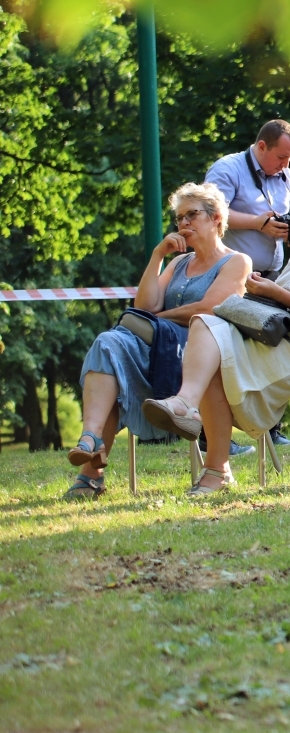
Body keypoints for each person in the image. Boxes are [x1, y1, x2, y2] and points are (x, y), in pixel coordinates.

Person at [142, 178, 290, 495]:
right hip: (276, 332)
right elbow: (274, 306)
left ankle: (212, 461)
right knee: (204, 321)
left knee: (214, 345)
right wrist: (260, 292)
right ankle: (189, 410)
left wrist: (274, 291)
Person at [64, 184, 251, 499]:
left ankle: (91, 474)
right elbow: (145, 308)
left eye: (192, 215)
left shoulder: (236, 261)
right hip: (161, 347)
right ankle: (90, 438)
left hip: (202, 353)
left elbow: (210, 308)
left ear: (216, 218)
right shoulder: (178, 264)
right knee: (108, 345)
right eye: (179, 218)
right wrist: (157, 255)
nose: (183, 225)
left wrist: (161, 317)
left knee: (114, 354)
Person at [205, 119, 290, 449]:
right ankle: (212, 434)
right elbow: (211, 213)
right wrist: (260, 224)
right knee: (223, 350)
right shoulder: (228, 168)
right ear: (261, 147)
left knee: (272, 349)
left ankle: (271, 430)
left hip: (272, 277)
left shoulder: (287, 176)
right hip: (232, 276)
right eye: (281, 157)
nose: (286, 165)